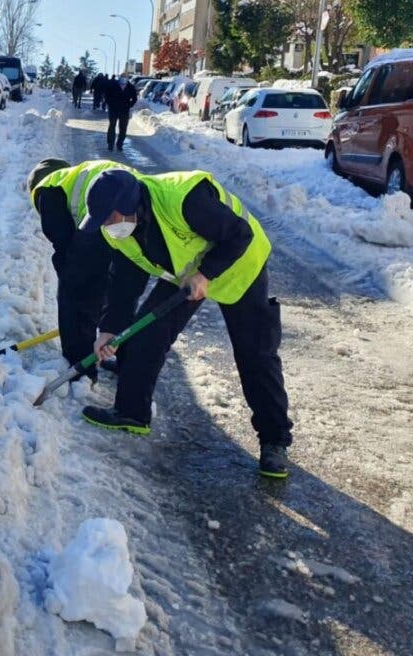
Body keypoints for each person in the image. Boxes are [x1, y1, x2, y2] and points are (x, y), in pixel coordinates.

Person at [76, 169, 293, 479]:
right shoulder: (121, 233)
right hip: (186, 272)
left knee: (255, 354)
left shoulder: (184, 200)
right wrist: (109, 329)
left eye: (110, 218)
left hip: (239, 264)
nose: (109, 227)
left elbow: (239, 234)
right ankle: (131, 412)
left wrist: (206, 274)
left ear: (129, 205)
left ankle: (274, 441)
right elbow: (124, 283)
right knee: (146, 333)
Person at [26, 158, 131, 384]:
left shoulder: (48, 189)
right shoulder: (80, 174)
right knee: (120, 293)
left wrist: (71, 279)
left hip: (105, 217)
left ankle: (80, 366)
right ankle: (128, 362)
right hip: (134, 208)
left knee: (75, 293)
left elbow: (63, 245)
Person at [105, 74, 138, 152]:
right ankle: (110, 144)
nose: (123, 79)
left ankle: (120, 144)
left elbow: (134, 98)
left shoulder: (130, 87)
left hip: (124, 110)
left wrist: (129, 105)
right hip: (113, 109)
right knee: (112, 126)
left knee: (123, 128)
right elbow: (107, 96)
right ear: (119, 78)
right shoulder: (113, 85)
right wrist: (110, 104)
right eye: (122, 77)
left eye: (125, 78)